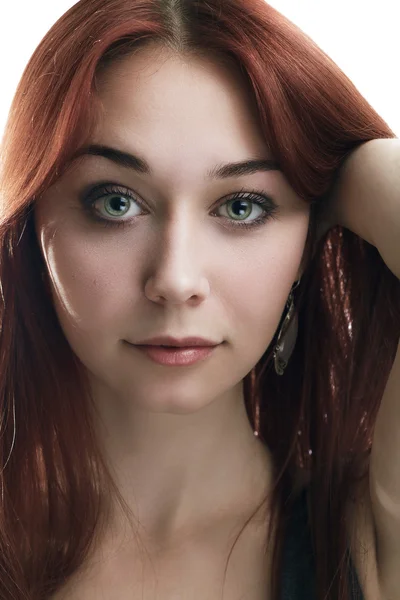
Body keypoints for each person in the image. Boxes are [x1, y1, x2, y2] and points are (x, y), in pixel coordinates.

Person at [0, 0, 399, 598]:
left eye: (242, 206)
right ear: (32, 225)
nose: (177, 278)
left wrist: (350, 170)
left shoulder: (365, 538)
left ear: (308, 236)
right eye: (115, 202)